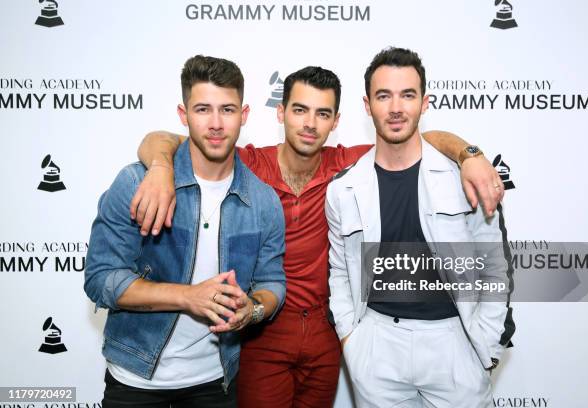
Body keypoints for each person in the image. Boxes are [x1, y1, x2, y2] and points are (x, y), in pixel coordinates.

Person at [132, 66, 505, 407]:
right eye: (299, 110)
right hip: (263, 330)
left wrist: (469, 154)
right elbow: (162, 140)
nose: (310, 124)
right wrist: (162, 167)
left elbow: (421, 139)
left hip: (326, 337)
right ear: (280, 113)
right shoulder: (246, 163)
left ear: (336, 122)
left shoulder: (349, 166)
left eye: (322, 114)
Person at [84, 55, 286, 408]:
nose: (216, 123)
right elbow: (100, 280)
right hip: (136, 381)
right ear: (183, 114)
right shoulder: (136, 183)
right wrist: (186, 296)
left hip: (215, 382)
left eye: (227, 110)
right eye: (203, 109)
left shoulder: (263, 201)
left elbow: (272, 282)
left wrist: (251, 309)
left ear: (245, 114)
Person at [326, 47, 514, 408]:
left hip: (455, 343)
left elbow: (495, 266)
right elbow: (338, 270)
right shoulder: (343, 189)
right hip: (377, 346)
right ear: (367, 105)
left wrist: (487, 344)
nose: (396, 107)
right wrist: (352, 339)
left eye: (407, 95)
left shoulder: (465, 177)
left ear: (424, 102)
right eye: (384, 95)